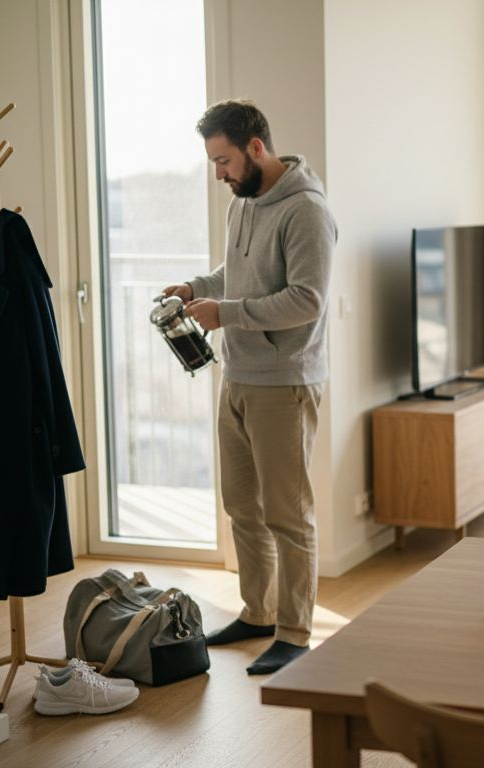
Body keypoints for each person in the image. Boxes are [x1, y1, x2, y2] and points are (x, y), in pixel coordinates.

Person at [163, 99, 337, 674]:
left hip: (284, 383)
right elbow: (234, 274)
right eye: (214, 162)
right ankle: (258, 613)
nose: (219, 174)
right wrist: (195, 288)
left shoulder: (306, 211)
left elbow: (307, 300)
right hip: (236, 376)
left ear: (256, 148)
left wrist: (227, 314)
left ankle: (295, 632)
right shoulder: (243, 203)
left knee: (288, 514)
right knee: (242, 506)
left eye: (224, 161)